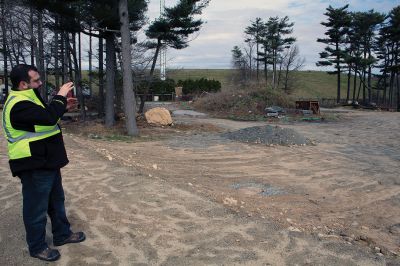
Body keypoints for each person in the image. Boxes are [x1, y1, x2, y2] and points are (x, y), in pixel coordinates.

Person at [1, 64, 85, 262]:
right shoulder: (18, 104)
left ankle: (62, 234)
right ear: (23, 84)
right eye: (36, 80)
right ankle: (37, 247)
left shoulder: (29, 98)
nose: (40, 83)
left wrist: (62, 108)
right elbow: (47, 119)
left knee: (56, 201)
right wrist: (60, 95)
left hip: (47, 161)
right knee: (36, 209)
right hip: (33, 164)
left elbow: (43, 121)